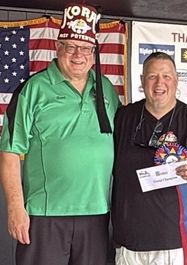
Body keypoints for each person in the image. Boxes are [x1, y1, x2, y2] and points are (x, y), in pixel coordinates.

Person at [0, 3, 120, 265]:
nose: (79, 55)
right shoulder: (32, 90)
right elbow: (10, 151)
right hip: (45, 215)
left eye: (86, 48)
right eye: (71, 46)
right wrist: (15, 208)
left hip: (97, 213)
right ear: (58, 47)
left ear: (94, 52)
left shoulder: (106, 89)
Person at [112, 51, 187, 265]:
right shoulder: (123, 118)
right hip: (130, 243)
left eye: (166, 76)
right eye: (152, 76)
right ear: (141, 81)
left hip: (179, 244)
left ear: (176, 81)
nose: (159, 83)